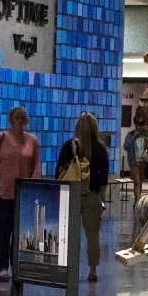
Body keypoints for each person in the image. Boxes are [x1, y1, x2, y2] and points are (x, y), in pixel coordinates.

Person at [0, 106, 39, 282]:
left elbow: (36, 166)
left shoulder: (33, 141)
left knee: (20, 232)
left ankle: (17, 265)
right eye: (16, 117)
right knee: (3, 230)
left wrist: (35, 188)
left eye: (22, 117)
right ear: (10, 119)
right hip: (2, 190)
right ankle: (2, 268)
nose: (19, 120)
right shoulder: (1, 138)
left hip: (23, 192)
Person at [56, 112, 109, 284]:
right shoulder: (101, 149)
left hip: (71, 195)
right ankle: (92, 271)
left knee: (68, 234)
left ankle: (66, 268)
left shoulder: (68, 146)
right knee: (92, 235)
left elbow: (59, 172)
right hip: (92, 196)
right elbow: (103, 179)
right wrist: (101, 198)